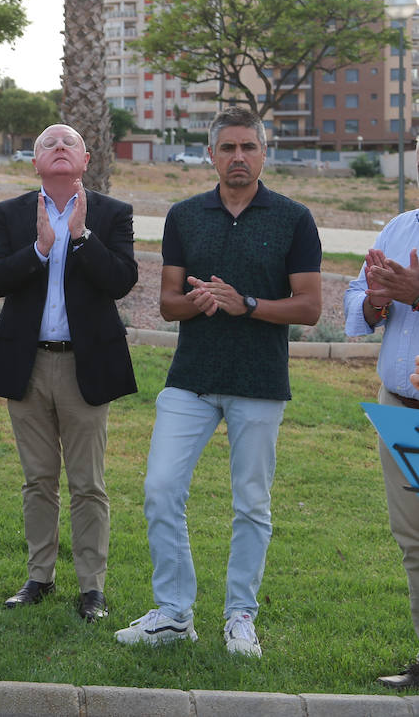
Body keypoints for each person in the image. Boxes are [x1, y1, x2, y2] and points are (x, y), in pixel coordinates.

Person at [116, 106, 321, 656]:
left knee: (251, 503)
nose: (238, 157)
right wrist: (199, 301)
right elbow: (168, 304)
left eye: (248, 147)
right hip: (192, 379)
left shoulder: (293, 218)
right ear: (210, 154)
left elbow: (309, 307)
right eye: (227, 148)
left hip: (260, 382)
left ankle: (240, 617)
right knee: (160, 489)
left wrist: (246, 304)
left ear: (263, 153)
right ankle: (173, 613)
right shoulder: (185, 216)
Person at [0, 124, 138, 622]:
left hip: (85, 365)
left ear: (86, 160)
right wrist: (40, 250)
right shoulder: (10, 213)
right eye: (49, 143)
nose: (60, 147)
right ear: (35, 163)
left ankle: (92, 588)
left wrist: (82, 237)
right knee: (38, 480)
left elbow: (122, 280)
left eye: (69, 142)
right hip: (26, 365)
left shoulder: (112, 213)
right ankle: (39, 577)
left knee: (88, 483)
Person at [343, 162, 419, 688]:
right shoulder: (400, 227)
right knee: (413, 540)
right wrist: (374, 300)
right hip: (398, 407)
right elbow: (354, 298)